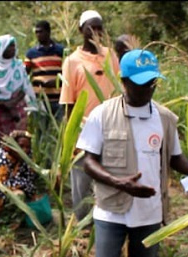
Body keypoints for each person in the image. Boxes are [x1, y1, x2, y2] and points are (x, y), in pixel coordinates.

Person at [76, 49, 188, 257]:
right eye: (140, 83)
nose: (147, 89)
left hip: (150, 211)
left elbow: (175, 159)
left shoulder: (165, 118)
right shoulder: (103, 114)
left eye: (152, 82)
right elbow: (87, 159)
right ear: (124, 81)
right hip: (111, 209)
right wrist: (120, 183)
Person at [59, 9, 120, 222]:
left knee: (109, 176)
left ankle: (106, 219)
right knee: (81, 179)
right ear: (80, 30)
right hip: (84, 129)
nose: (95, 32)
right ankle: (81, 223)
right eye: (90, 28)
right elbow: (68, 102)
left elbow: (119, 90)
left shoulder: (110, 55)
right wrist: (71, 137)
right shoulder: (72, 61)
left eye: (99, 28)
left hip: (111, 126)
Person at [0, 34, 37, 147]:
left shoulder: (18, 65)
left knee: (20, 144)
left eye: (14, 46)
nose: (12, 49)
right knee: (3, 144)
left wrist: (13, 103)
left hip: (18, 110)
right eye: (9, 46)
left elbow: (24, 86)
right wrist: (5, 104)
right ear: (1, 48)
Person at [24, 20, 65, 117]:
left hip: (58, 99)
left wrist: (56, 82)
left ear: (48, 32)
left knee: (59, 128)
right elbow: (24, 74)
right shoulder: (31, 53)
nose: (38, 35)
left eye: (41, 32)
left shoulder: (61, 51)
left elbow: (69, 73)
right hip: (40, 99)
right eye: (36, 32)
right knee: (41, 130)